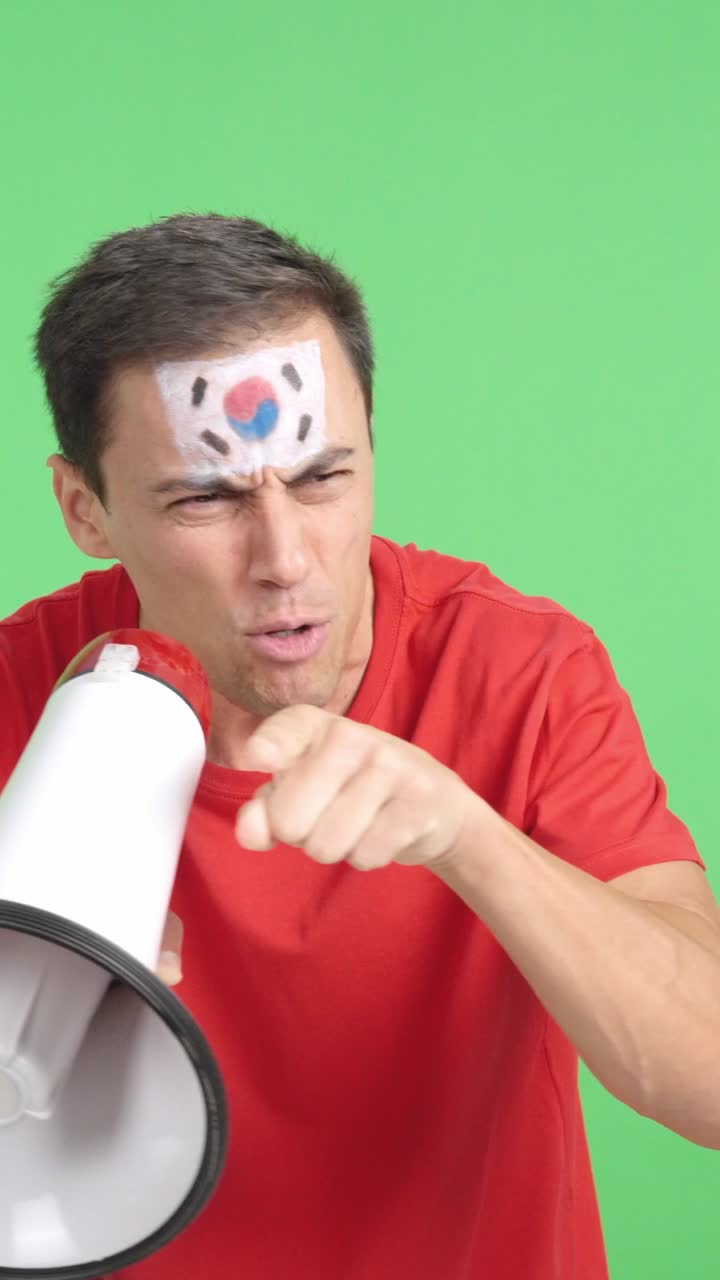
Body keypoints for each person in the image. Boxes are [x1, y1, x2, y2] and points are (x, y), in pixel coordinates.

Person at [1, 213, 719, 1280]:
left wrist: (469, 836)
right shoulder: (21, 687)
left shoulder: (524, 670)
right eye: (207, 497)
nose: (287, 559)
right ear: (85, 508)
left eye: (325, 477)